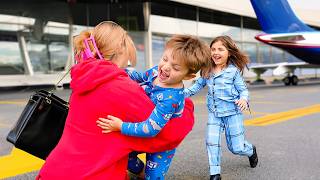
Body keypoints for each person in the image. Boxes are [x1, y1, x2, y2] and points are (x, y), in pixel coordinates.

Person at [37, 21, 197, 180]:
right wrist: (185, 104)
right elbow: (167, 134)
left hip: (52, 171)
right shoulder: (121, 89)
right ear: (121, 49)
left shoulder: (86, 79)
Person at [96, 35, 211, 179]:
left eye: (175, 67)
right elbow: (138, 76)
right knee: (124, 157)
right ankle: (140, 172)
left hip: (162, 139)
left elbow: (150, 129)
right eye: (165, 59)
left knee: (154, 176)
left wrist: (120, 126)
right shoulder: (158, 71)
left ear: (188, 76)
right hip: (145, 124)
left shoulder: (171, 99)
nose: (166, 67)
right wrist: (114, 71)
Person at [184, 35, 258, 180]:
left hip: (233, 113)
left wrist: (243, 99)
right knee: (211, 142)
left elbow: (243, 90)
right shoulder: (207, 70)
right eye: (213, 49)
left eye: (220, 49)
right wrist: (179, 94)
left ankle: (250, 150)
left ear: (229, 52)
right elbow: (195, 87)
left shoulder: (233, 71)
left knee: (236, 148)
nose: (215, 53)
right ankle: (215, 173)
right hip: (215, 114)